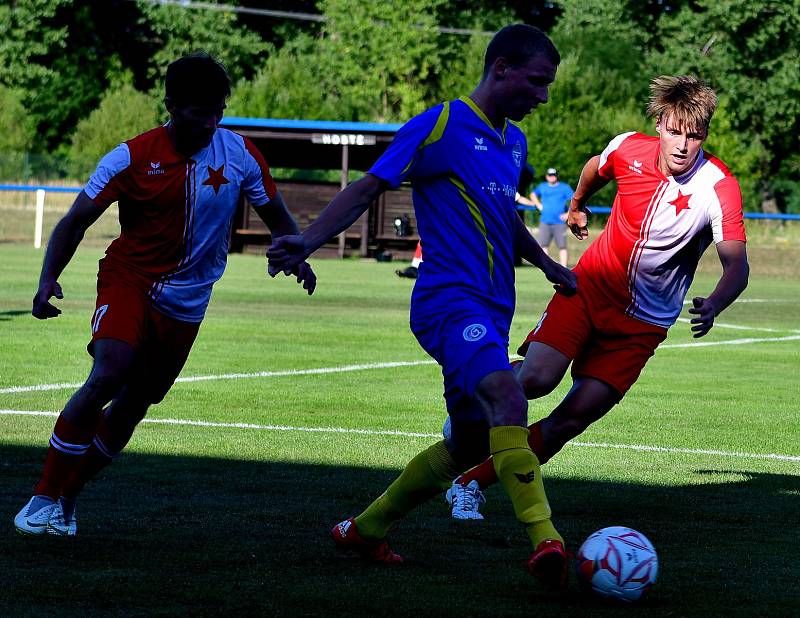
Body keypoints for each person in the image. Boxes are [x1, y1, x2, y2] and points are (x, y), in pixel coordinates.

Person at [268, 24, 577, 587]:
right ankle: (546, 541)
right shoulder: (438, 125)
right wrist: (307, 240)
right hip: (447, 304)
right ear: (501, 68)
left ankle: (365, 529)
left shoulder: (513, 142)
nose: (543, 96)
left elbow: (505, 219)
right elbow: (368, 188)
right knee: (508, 394)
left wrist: (548, 265)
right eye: (537, 82)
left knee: (465, 442)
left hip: (491, 309)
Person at [14, 52, 315, 537]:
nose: (211, 122)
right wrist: (47, 278)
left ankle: (68, 497)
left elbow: (280, 221)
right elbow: (75, 221)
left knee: (135, 405)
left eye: (218, 110)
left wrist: (296, 256)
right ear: (172, 105)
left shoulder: (239, 153)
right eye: (200, 112)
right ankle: (41, 498)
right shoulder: (130, 157)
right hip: (129, 279)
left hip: (189, 300)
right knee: (109, 372)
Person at [445, 75, 750, 520]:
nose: (684, 145)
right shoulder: (628, 148)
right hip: (588, 290)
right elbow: (595, 166)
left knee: (570, 419)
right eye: (675, 131)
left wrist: (717, 302)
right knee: (536, 380)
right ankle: (478, 395)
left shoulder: (718, 186)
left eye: (695, 134)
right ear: (659, 124)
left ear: (704, 133)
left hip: (641, 328)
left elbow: (737, 266)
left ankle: (470, 483)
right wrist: (578, 203)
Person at [516, 167, 573, 266]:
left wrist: (568, 214)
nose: (552, 177)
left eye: (554, 175)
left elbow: (574, 199)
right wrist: (537, 204)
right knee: (543, 245)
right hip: (545, 220)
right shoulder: (542, 186)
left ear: (557, 176)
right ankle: (545, 266)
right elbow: (533, 194)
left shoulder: (564, 187)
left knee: (562, 246)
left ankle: (564, 267)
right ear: (547, 176)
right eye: (550, 175)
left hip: (559, 221)